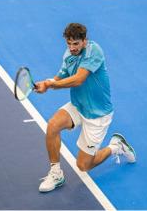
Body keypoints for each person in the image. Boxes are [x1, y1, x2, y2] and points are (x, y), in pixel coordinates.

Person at [35, 23, 136, 193]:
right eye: (69, 43)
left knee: (83, 165)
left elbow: (78, 79)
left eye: (76, 44)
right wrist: (47, 83)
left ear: (84, 41)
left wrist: (52, 85)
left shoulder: (94, 51)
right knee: (53, 125)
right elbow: (60, 77)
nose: (72, 48)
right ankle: (56, 173)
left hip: (98, 115)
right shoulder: (68, 55)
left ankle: (116, 146)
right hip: (78, 106)